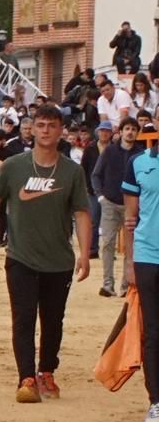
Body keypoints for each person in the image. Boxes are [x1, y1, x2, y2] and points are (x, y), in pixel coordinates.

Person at [0, 105, 92, 403]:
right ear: (31, 130)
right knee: (23, 319)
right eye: (40, 125)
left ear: (61, 131)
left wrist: (85, 253)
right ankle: (27, 377)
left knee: (53, 320)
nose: (45, 131)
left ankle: (47, 370)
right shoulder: (14, 166)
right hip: (20, 257)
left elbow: (82, 213)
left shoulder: (72, 171)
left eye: (51, 126)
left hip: (58, 260)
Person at [120, 126, 159, 422]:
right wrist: (130, 262)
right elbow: (130, 218)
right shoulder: (138, 163)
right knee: (153, 332)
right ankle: (156, 401)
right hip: (148, 257)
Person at [92, 116, 140, 297]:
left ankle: (126, 285)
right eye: (127, 128)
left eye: (134, 129)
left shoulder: (140, 154)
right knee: (108, 244)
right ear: (120, 132)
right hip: (110, 203)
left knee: (131, 247)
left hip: (132, 206)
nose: (130, 132)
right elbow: (96, 175)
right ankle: (107, 284)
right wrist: (101, 197)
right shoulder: (110, 151)